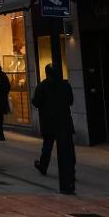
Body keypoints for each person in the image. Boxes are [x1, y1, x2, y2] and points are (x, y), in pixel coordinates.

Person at [31, 64, 76, 194]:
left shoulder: (42, 86)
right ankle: (71, 170)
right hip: (64, 120)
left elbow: (36, 102)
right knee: (67, 147)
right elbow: (70, 100)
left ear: (46, 73)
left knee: (48, 144)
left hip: (49, 120)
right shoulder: (65, 85)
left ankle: (43, 165)